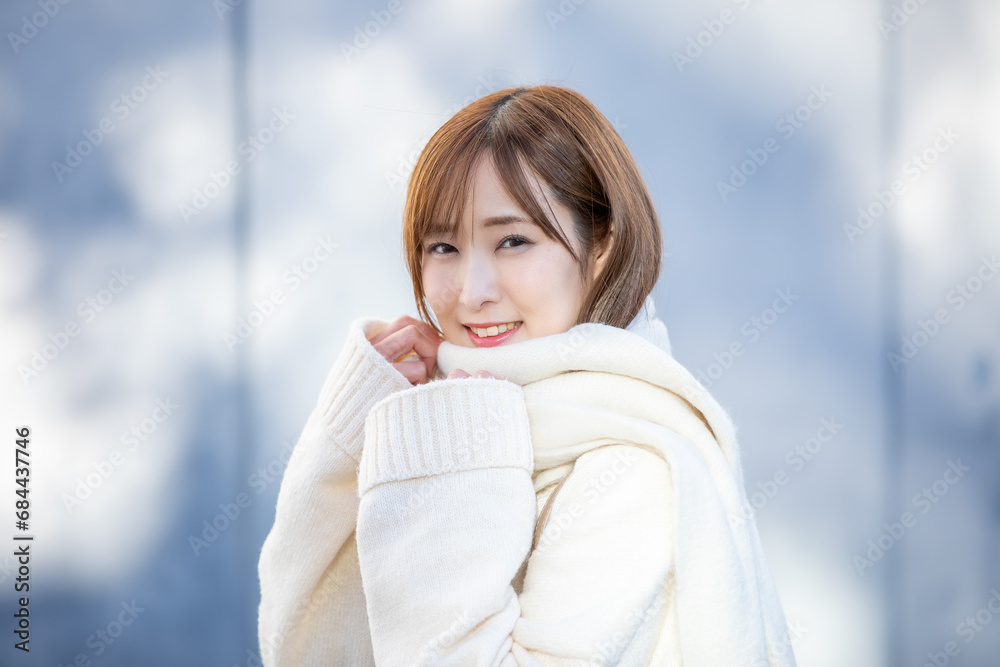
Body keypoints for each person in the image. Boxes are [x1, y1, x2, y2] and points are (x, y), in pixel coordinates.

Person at [257, 85, 797, 666]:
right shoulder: (444, 412)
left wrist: (448, 458)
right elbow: (303, 647)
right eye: (443, 247)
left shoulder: (627, 471)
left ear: (602, 246)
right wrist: (354, 436)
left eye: (513, 241)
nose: (472, 292)